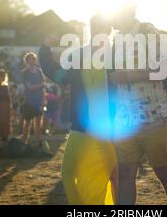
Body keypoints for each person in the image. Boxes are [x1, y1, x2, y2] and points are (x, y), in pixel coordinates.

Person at [110, 3, 167, 205]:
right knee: (125, 174)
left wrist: (128, 75)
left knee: (163, 172)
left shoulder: (148, 31)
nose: (111, 22)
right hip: (125, 119)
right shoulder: (116, 39)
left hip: (154, 116)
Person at [39, 14, 118, 205]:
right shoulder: (83, 55)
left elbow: (59, 75)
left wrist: (45, 49)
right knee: (75, 173)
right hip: (93, 126)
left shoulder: (115, 56)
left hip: (104, 127)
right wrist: (45, 50)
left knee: (112, 175)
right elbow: (60, 75)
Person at [20, 52, 46, 148]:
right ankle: (24, 142)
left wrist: (44, 99)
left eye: (34, 58)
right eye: (31, 59)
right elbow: (30, 87)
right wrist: (41, 85)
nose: (33, 60)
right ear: (27, 60)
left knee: (38, 123)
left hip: (38, 101)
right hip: (29, 101)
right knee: (27, 123)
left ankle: (39, 142)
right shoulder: (25, 72)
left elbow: (43, 87)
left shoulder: (39, 72)